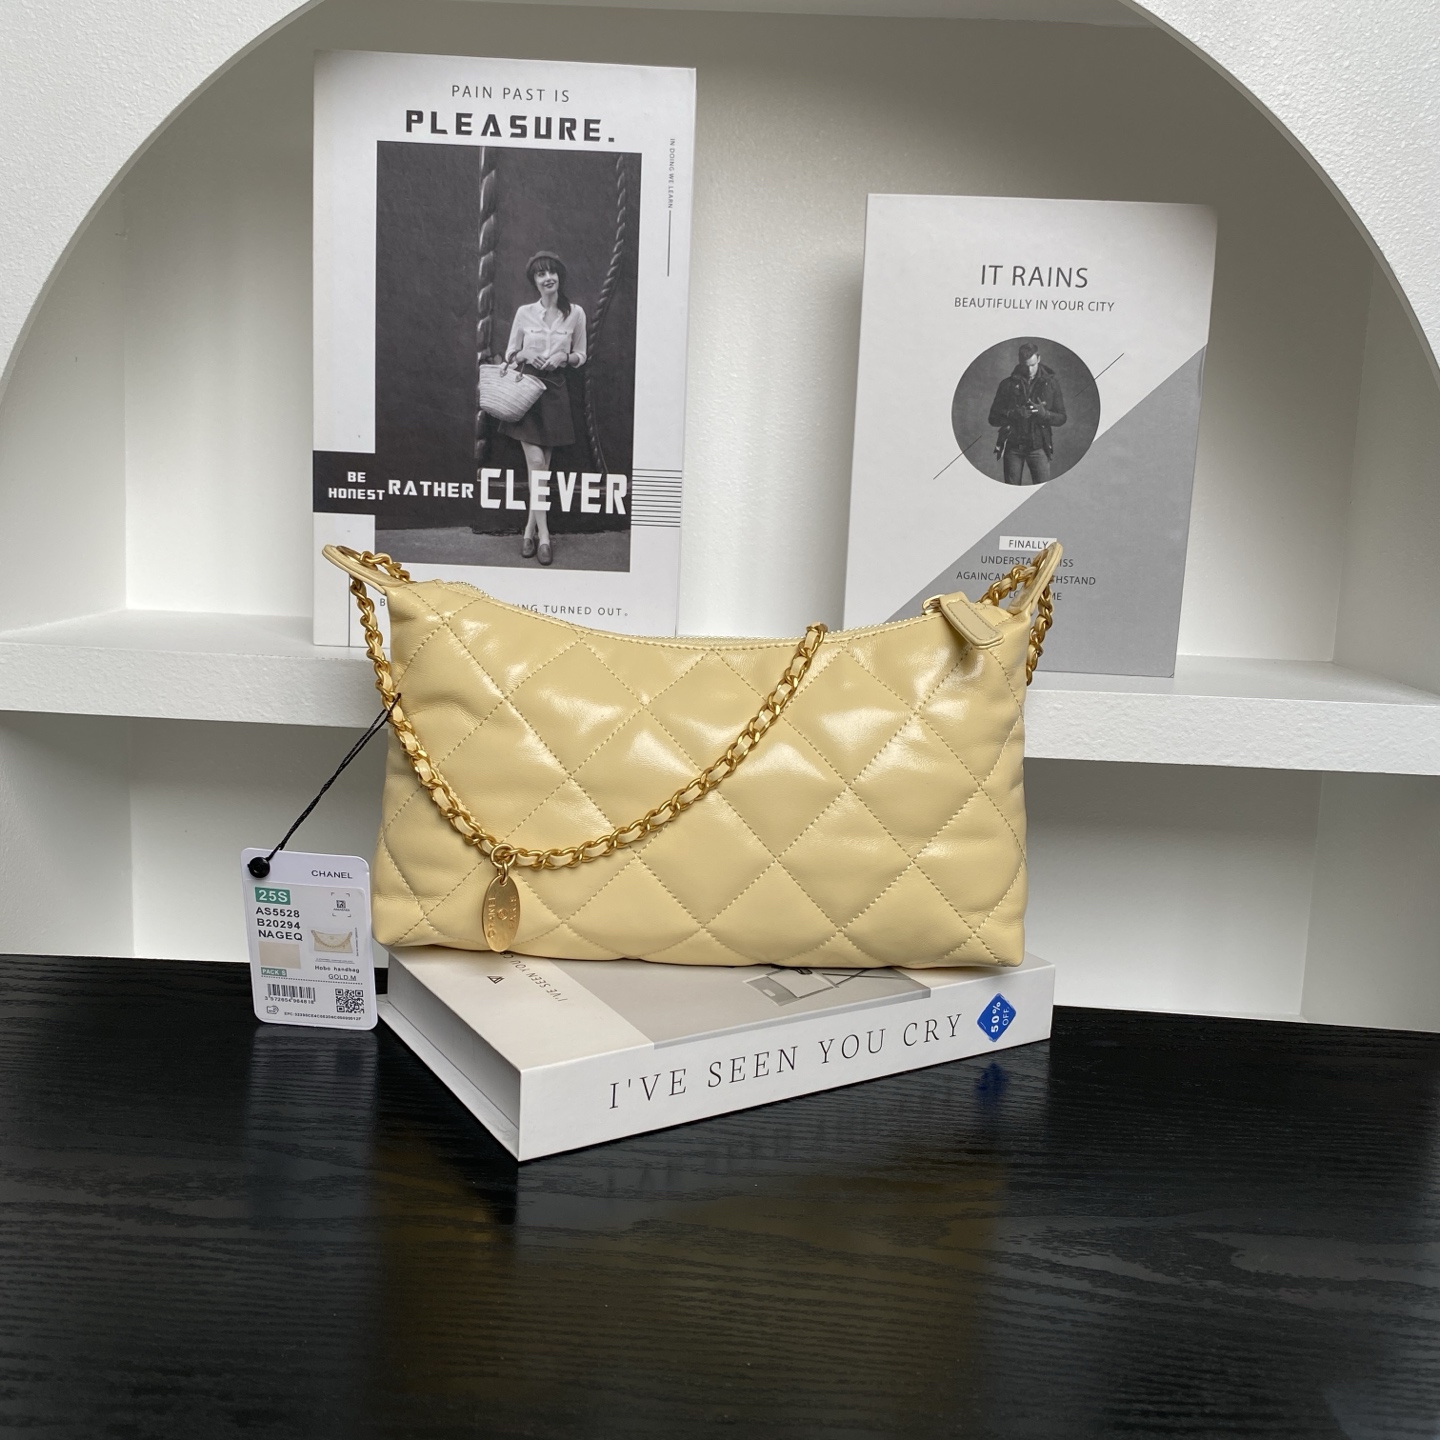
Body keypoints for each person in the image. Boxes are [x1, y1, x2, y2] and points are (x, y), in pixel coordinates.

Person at [499, 250, 587, 565]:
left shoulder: (575, 313)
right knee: (537, 463)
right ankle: (545, 536)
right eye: (541, 274)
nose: (548, 278)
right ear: (534, 281)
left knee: (541, 469)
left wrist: (565, 357)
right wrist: (524, 355)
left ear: (559, 277)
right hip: (527, 392)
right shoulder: (524, 313)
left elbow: (581, 355)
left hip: (556, 392)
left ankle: (528, 531)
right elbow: (510, 354)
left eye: (552, 272)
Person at [988, 341, 1066, 486]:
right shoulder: (1007, 384)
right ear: (1019, 361)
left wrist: (1045, 414)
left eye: (1033, 365)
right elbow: (992, 418)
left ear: (1039, 359)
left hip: (1039, 447)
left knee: (1042, 490)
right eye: (1025, 366)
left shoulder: (1052, 384)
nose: (1029, 370)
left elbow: (1062, 418)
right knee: (1011, 490)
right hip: (1013, 447)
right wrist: (1014, 414)